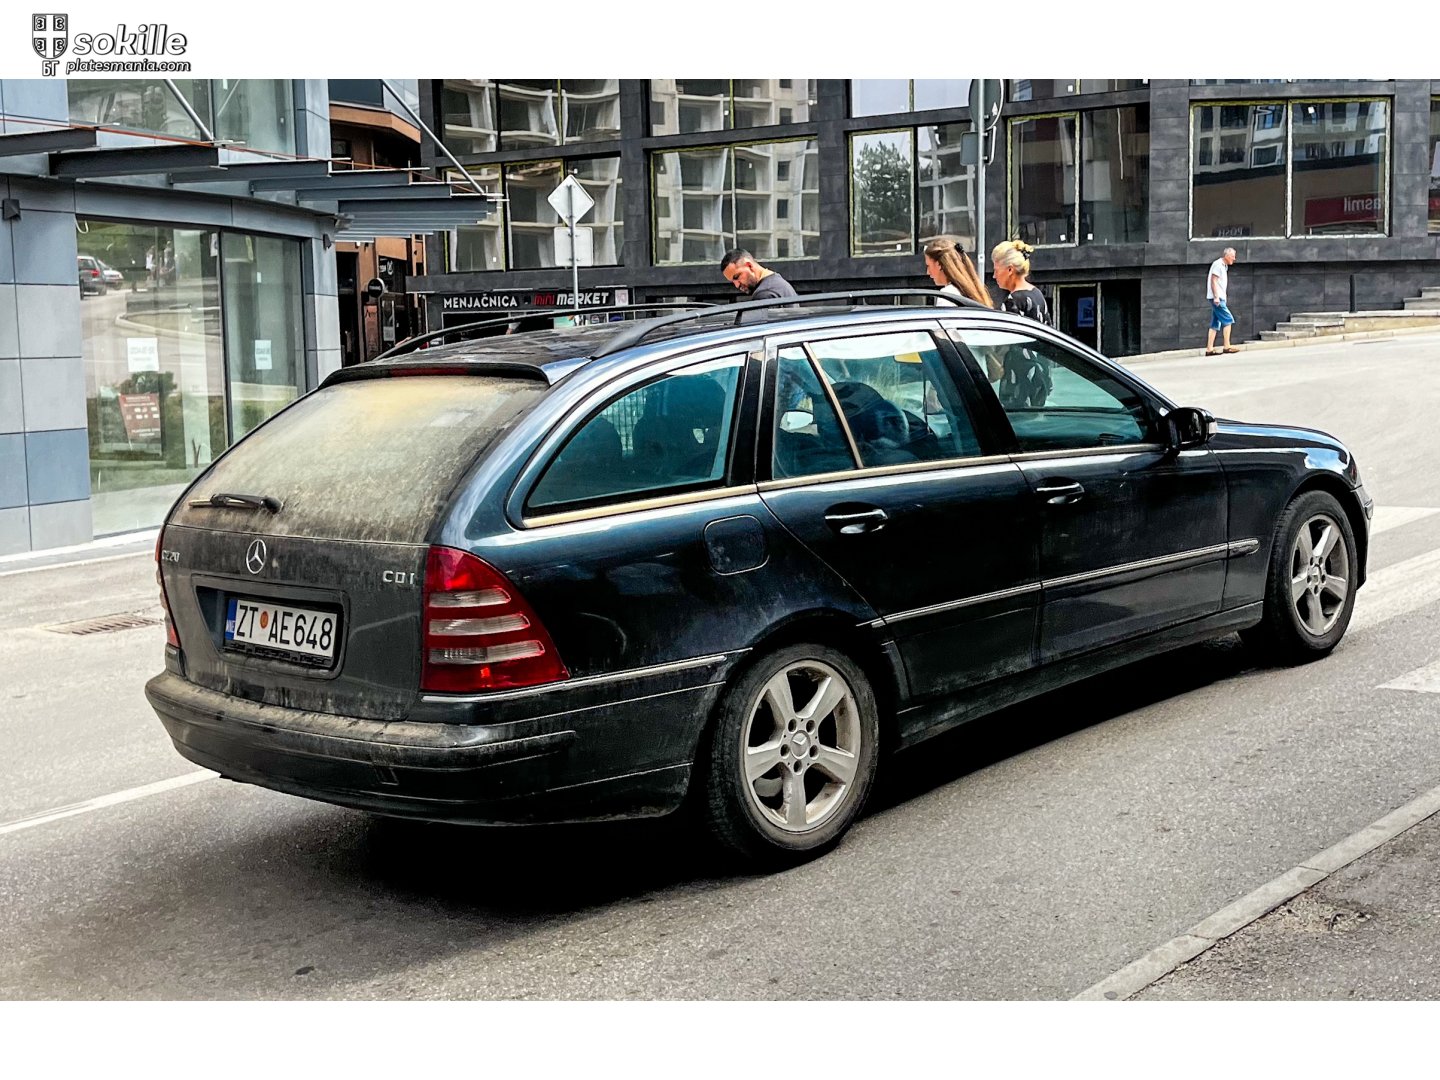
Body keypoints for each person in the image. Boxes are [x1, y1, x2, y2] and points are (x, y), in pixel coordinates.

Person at [991, 239, 1052, 407]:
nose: (994, 276)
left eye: (996, 270)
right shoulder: (1037, 294)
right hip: (1040, 373)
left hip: (1019, 377)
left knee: (1018, 421)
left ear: (1010, 270)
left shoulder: (1013, 301)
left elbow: (1001, 342)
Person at [923, 235, 993, 308]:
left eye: (928, 266)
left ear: (938, 265)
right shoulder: (974, 291)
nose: (928, 272)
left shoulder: (948, 295)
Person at [720, 249, 796, 301]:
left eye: (737, 277)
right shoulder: (780, 283)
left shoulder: (764, 294)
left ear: (749, 266)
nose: (737, 285)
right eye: (733, 282)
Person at [1205, 247, 1239, 355]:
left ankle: (1209, 349)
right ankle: (1227, 346)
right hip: (1217, 298)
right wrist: (1216, 297)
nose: (1234, 259)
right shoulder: (1218, 264)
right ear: (1227, 256)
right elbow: (1213, 280)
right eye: (1232, 256)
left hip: (1219, 297)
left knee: (1215, 323)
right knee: (1228, 319)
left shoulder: (1223, 266)